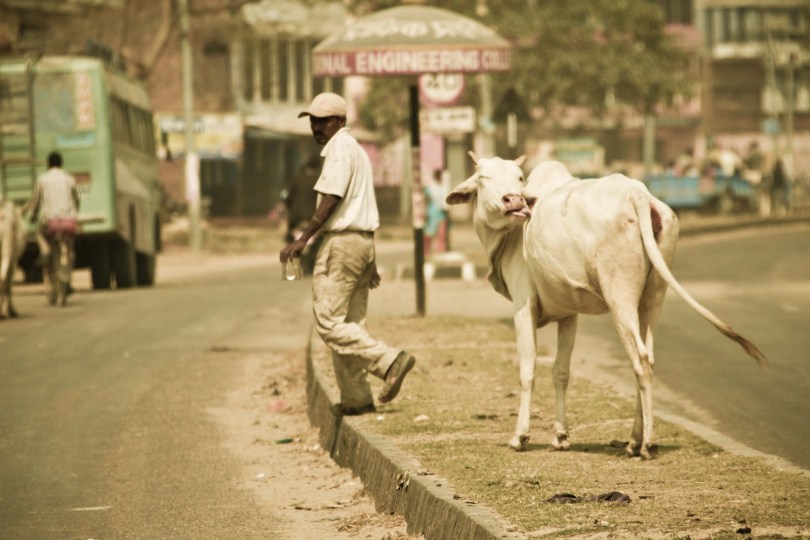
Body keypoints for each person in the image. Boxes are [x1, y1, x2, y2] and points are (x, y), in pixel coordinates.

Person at [279, 92, 416, 416]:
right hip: (360, 243)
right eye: (312, 120)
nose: (317, 127)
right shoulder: (355, 150)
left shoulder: (340, 148)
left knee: (328, 322)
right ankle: (356, 398)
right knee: (348, 327)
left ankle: (389, 361)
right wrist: (369, 259)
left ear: (340, 121)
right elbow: (361, 205)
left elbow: (332, 198)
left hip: (341, 244)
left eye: (323, 120)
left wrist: (304, 238)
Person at [27, 151, 80, 289]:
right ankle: (67, 279)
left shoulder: (42, 179)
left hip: (50, 223)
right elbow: (76, 200)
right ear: (61, 164)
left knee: (38, 233)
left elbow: (36, 202)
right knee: (69, 249)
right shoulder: (69, 179)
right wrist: (74, 213)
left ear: (48, 164)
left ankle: (45, 251)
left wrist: (32, 216)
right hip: (68, 223)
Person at [283, 154, 322, 275]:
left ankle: (292, 271)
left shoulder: (296, 178)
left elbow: (288, 198)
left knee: (290, 239)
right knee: (319, 241)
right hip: (313, 218)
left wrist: (290, 210)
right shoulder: (319, 180)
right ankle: (310, 266)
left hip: (296, 218)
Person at [423, 168, 449, 257]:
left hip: (442, 212)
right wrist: (424, 211)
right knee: (429, 232)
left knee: (442, 233)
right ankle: (426, 250)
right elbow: (426, 199)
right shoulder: (430, 187)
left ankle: (440, 250)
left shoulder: (443, 186)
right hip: (432, 211)